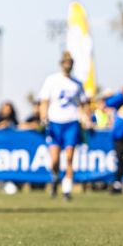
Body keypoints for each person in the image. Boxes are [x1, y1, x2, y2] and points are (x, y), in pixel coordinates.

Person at [37, 51, 90, 201]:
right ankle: (54, 179)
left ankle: (66, 190)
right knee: (54, 159)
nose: (68, 65)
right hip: (55, 122)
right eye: (65, 62)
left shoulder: (77, 84)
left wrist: (86, 118)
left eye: (70, 62)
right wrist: (43, 116)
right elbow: (44, 100)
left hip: (71, 122)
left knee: (69, 157)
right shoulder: (52, 80)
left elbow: (84, 103)